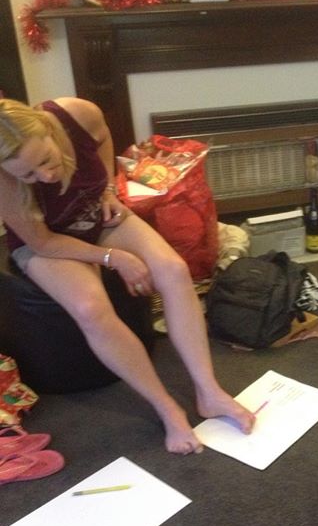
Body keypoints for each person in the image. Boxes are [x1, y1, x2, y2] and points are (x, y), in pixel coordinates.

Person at [0, 97, 255, 454]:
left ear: (46, 130)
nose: (44, 176)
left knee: (173, 269)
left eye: (45, 160)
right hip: (49, 242)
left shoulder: (77, 114)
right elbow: (43, 242)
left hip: (93, 213)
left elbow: (103, 137)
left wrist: (108, 190)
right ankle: (167, 408)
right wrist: (112, 258)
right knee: (90, 308)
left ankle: (209, 392)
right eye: (27, 175)